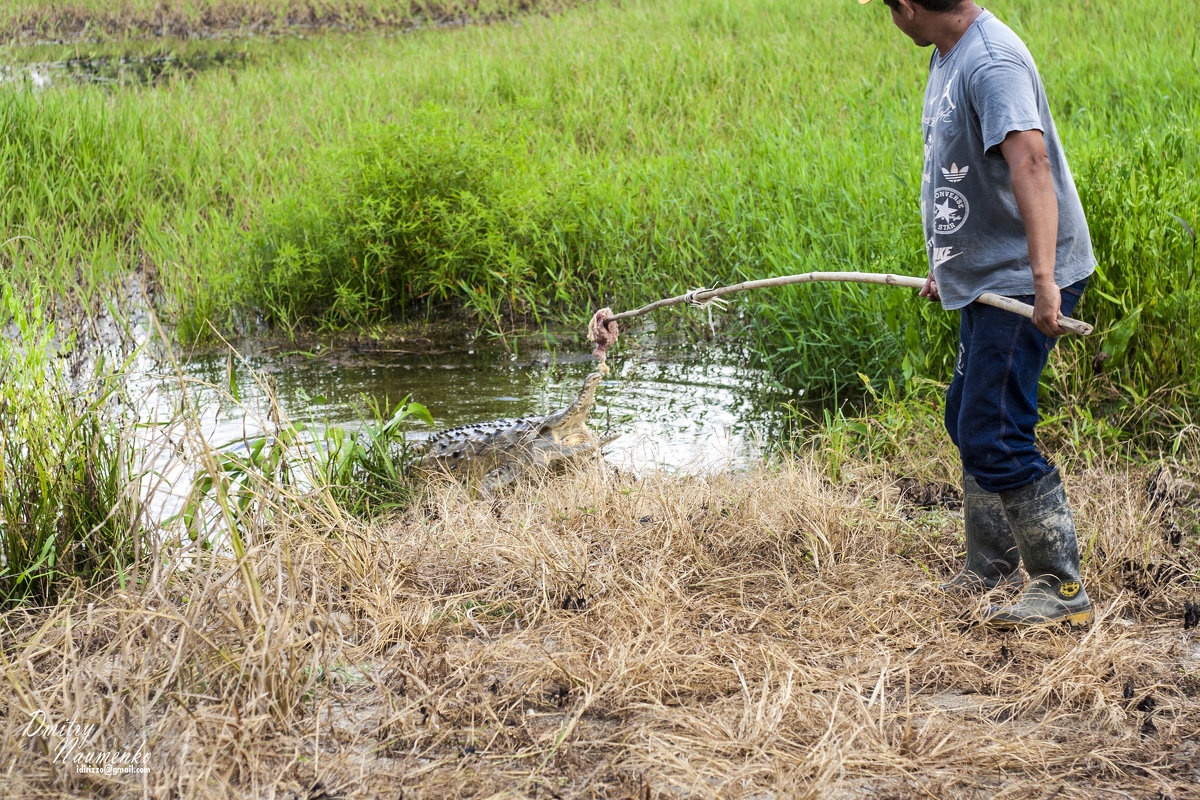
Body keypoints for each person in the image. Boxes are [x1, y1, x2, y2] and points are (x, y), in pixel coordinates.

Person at [860, 0, 1097, 627]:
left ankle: (1061, 588)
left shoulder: (991, 63)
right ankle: (989, 566)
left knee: (995, 428)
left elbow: (1031, 162)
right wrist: (950, 266)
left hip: (1022, 279)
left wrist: (1043, 282)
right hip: (987, 276)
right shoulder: (949, 54)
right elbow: (962, 171)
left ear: (908, 7)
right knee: (966, 417)